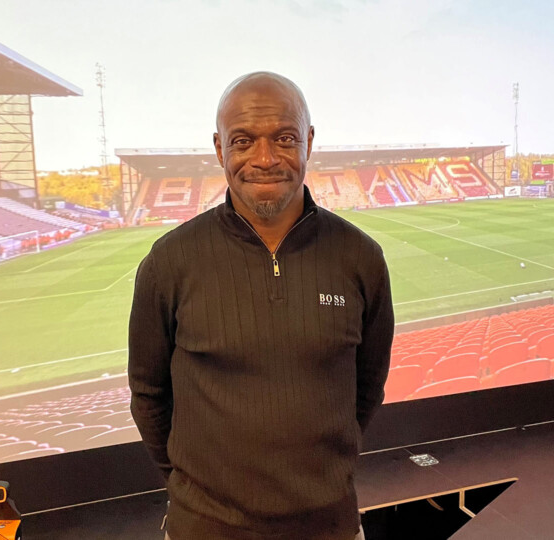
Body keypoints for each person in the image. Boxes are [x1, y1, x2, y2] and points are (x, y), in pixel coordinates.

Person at [129, 72, 395, 540]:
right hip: (204, 529)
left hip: (329, 526)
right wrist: (193, 490)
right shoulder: (169, 261)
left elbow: (367, 387)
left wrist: (322, 481)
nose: (265, 158)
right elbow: (149, 395)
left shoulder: (361, 258)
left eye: (285, 138)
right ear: (219, 149)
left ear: (309, 141)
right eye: (244, 141)